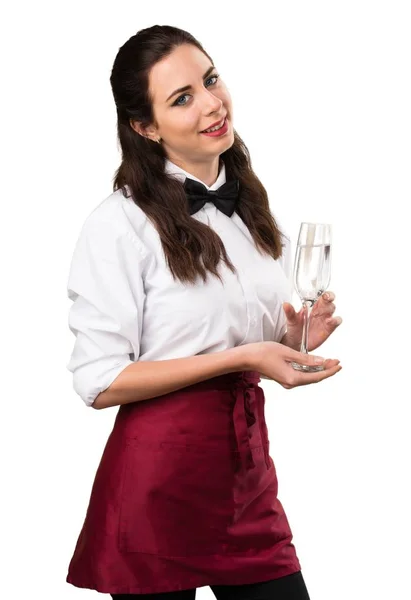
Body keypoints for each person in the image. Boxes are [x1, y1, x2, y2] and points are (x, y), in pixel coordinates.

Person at [65, 24, 342, 599]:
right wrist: (244, 355)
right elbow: (99, 381)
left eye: (210, 80)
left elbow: (246, 342)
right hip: (158, 485)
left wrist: (292, 339)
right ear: (144, 127)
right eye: (181, 98)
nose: (212, 104)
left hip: (245, 478)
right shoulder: (117, 225)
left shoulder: (251, 210)